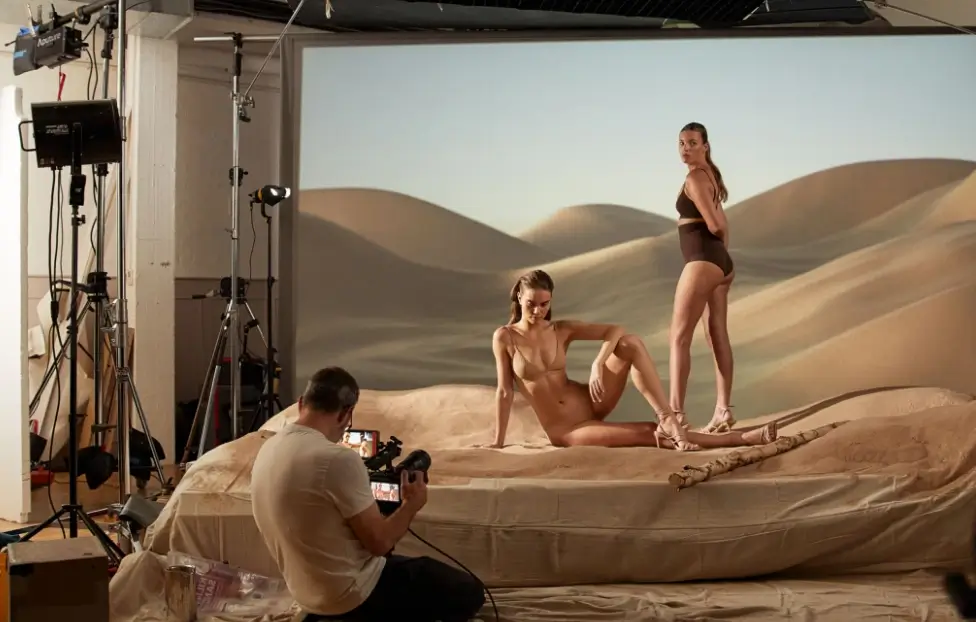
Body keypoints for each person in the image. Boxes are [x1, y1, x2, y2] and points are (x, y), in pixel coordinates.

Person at [250, 366, 485, 622]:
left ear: (300, 403)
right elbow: (380, 544)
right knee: (470, 592)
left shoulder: (268, 447)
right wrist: (412, 504)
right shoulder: (338, 459)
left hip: (306, 594)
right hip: (351, 595)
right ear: (346, 414)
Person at [485, 270, 776, 451]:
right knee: (650, 434)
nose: (537, 310)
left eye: (544, 304)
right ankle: (738, 440)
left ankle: (668, 416)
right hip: (568, 430)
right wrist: (498, 441)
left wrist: (599, 361)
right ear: (519, 297)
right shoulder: (505, 337)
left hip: (591, 400)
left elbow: (616, 330)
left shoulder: (561, 329)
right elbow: (504, 391)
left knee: (630, 344)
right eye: (530, 304)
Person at [671, 122, 738, 435]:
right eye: (682, 143)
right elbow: (724, 224)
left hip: (701, 261)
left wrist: (712, 260)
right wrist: (723, 262)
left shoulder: (695, 177)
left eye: (692, 143)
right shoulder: (709, 175)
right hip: (717, 263)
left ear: (705, 146)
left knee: (679, 338)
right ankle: (723, 410)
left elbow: (714, 224)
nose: (686, 149)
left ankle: (675, 417)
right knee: (716, 335)